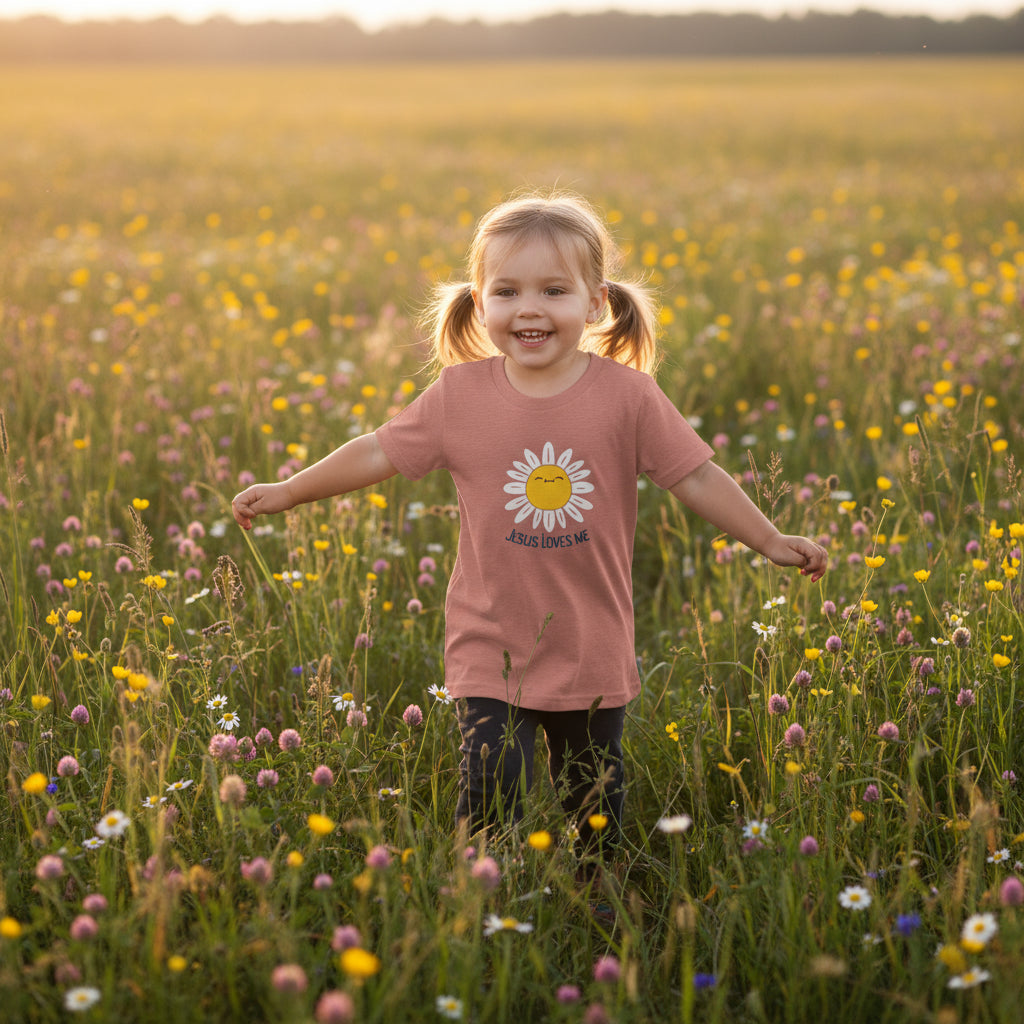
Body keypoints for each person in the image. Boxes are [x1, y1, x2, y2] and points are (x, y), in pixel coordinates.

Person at [231, 191, 828, 865]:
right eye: (507, 291)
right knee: (490, 784)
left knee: (592, 797)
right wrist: (289, 490)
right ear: (480, 304)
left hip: (590, 641)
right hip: (491, 642)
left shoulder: (629, 397)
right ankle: (477, 906)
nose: (530, 309)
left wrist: (770, 539)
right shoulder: (459, 396)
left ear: (595, 302)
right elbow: (377, 450)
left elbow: (693, 475)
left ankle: (600, 899)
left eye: (553, 290)